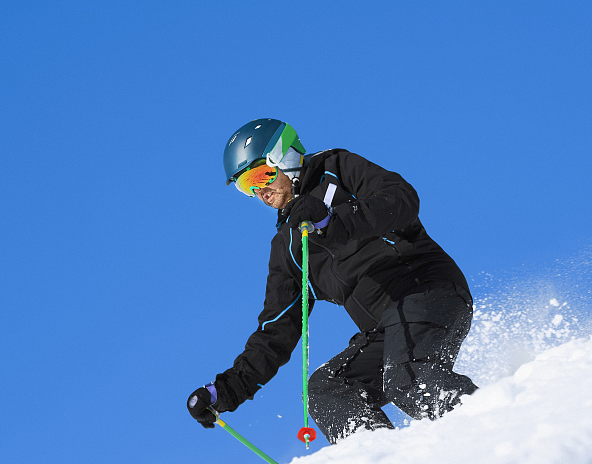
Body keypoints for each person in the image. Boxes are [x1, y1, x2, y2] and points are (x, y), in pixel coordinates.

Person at [187, 119, 478, 443]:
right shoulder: (288, 247)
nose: (260, 192)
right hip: (385, 328)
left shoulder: (334, 170)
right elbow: (276, 330)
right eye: (247, 186)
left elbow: (402, 199)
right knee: (328, 390)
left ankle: (497, 422)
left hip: (425, 288)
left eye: (260, 176)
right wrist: (226, 390)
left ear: (283, 157)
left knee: (408, 380)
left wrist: (332, 221)